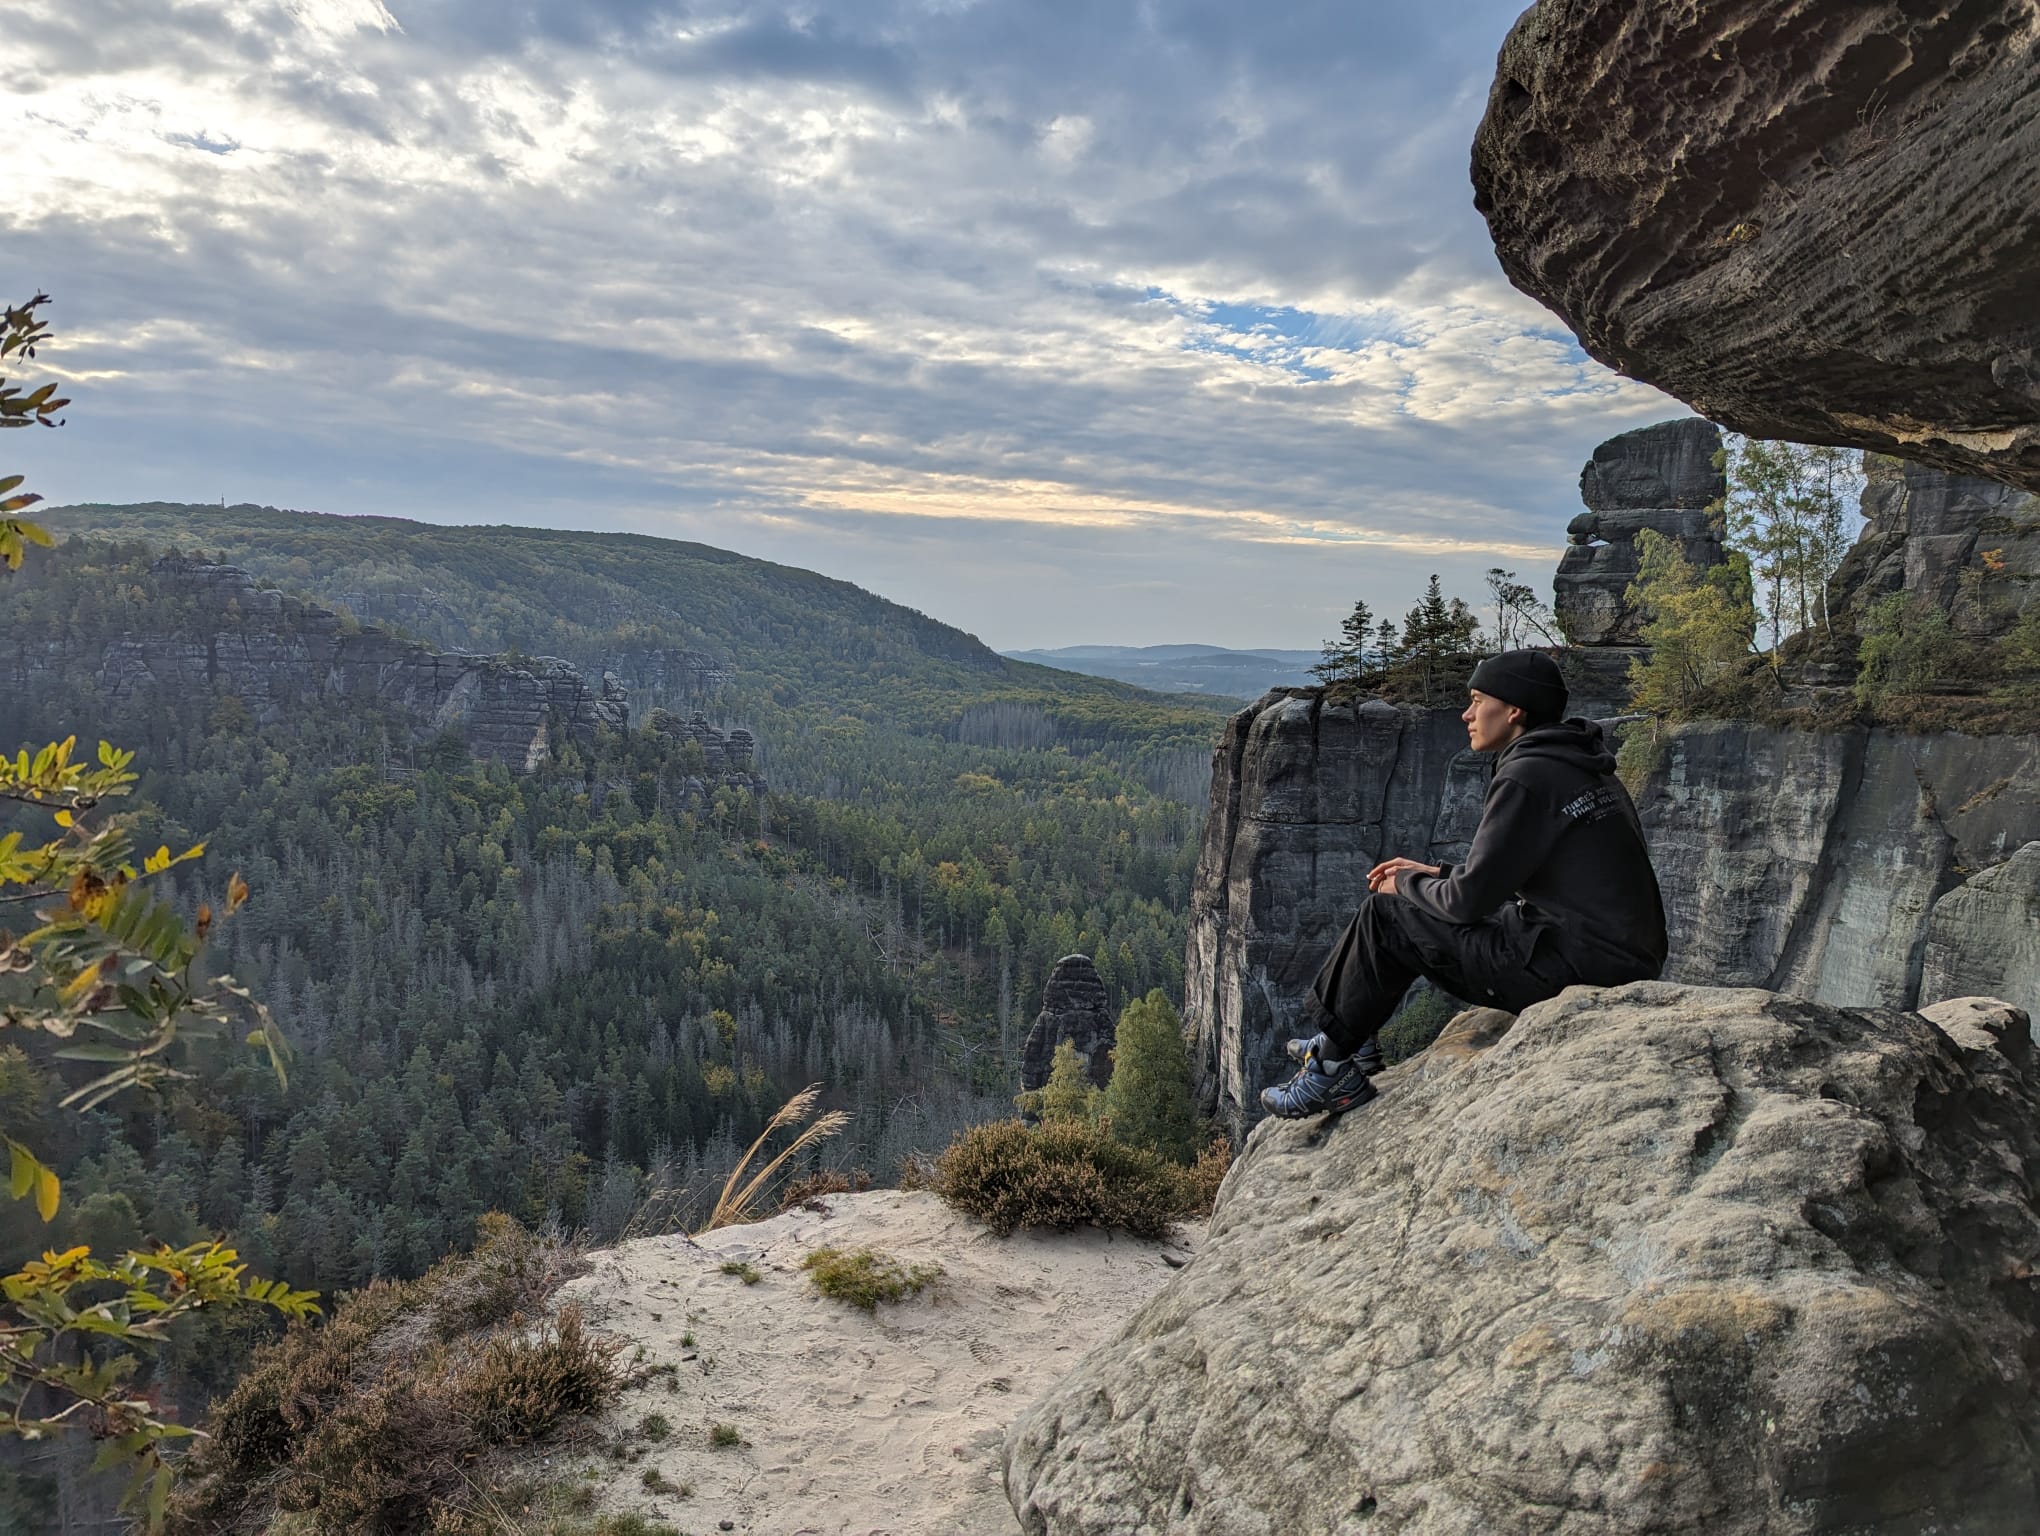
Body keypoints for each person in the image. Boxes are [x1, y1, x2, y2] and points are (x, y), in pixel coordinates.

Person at [1260, 650, 1668, 1119]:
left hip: (1577, 966)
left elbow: (1468, 904)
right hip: (1611, 952)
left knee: (1386, 915)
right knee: (1405, 900)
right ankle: (1347, 1039)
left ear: (1514, 709)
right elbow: (1505, 878)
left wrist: (1407, 885)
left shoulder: (1526, 775)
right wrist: (1434, 873)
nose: (1467, 714)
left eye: (1478, 701)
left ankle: (1330, 1073)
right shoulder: (1573, 762)